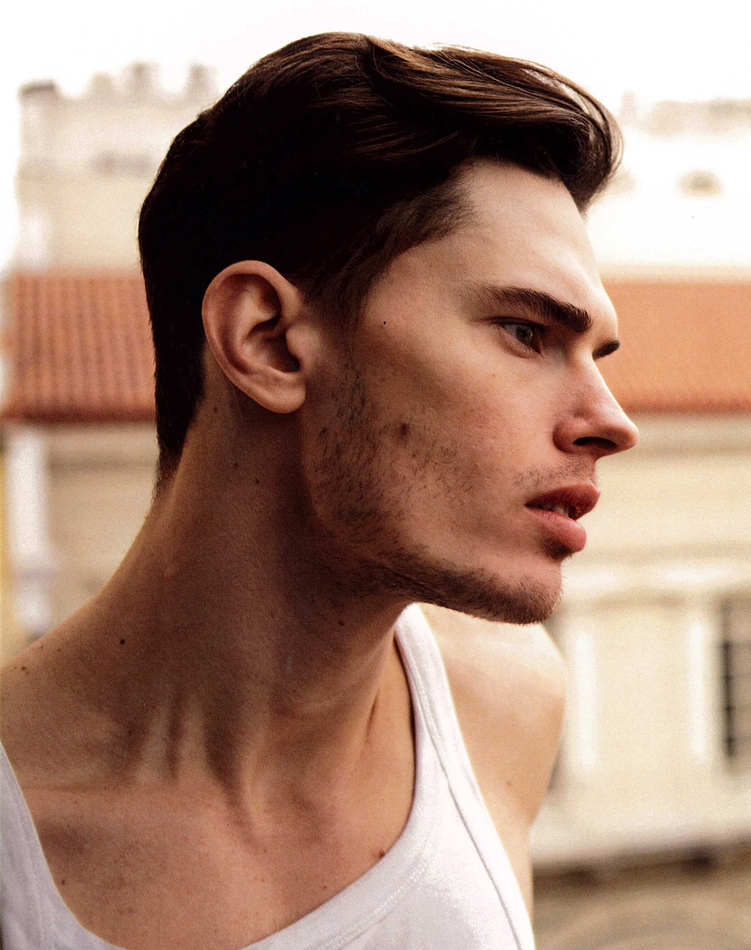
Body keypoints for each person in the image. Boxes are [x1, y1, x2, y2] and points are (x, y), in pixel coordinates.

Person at [1, 32, 638, 950]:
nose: (611, 422)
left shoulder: (500, 702)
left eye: (594, 355)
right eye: (525, 332)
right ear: (266, 341)